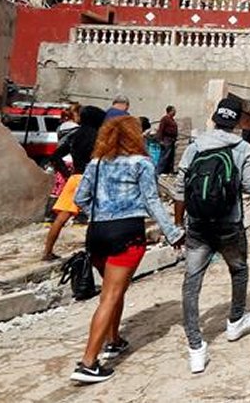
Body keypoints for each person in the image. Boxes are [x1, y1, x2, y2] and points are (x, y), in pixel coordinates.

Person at [69, 116, 185, 384]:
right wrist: (173, 233)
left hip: (96, 233)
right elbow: (152, 201)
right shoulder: (141, 163)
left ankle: (114, 338)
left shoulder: (96, 164)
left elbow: (80, 199)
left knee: (113, 290)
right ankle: (88, 362)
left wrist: (100, 215)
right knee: (111, 295)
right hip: (127, 232)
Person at [174, 96, 250, 375]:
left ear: (214, 118)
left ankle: (196, 349)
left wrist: (179, 224)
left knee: (191, 283)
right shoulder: (243, 147)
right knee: (238, 270)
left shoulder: (196, 145)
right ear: (236, 122)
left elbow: (180, 187)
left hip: (197, 224)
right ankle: (235, 321)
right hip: (229, 224)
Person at [43, 106, 107, 261]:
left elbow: (56, 156)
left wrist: (67, 174)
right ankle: (94, 252)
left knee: (60, 218)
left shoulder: (74, 135)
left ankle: (47, 252)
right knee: (97, 219)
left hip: (75, 178)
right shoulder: (100, 138)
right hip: (93, 179)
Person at [155, 105, 179, 176]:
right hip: (166, 140)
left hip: (172, 140)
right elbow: (161, 129)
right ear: (170, 111)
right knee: (164, 156)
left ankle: (167, 171)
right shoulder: (165, 119)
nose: (175, 112)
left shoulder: (172, 120)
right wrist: (160, 140)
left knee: (170, 157)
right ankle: (158, 171)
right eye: (174, 111)